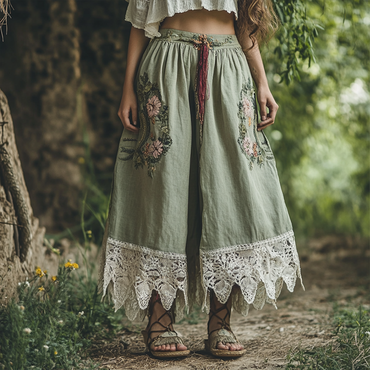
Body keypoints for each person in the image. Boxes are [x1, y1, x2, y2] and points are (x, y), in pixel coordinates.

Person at [98, 0, 304, 359]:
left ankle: (220, 321)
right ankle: (159, 319)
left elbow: (247, 26)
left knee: (230, 188)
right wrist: (127, 87)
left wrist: (262, 83)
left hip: (228, 67)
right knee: (164, 187)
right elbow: (140, 24)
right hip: (166, 67)